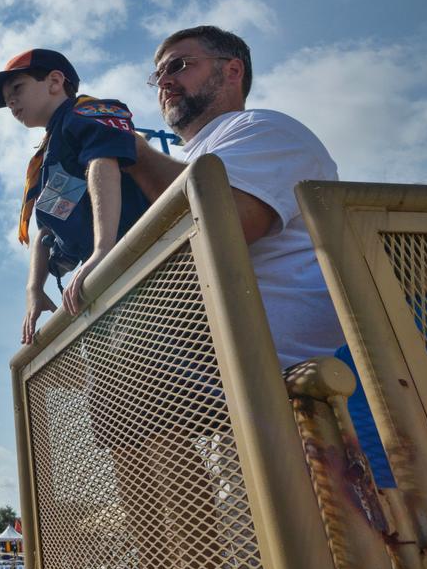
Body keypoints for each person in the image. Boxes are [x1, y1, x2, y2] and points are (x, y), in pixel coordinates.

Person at [115, 24, 344, 365]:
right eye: (157, 75)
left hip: (299, 384)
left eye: (178, 66)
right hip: (202, 388)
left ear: (232, 70)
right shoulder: (181, 164)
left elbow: (225, 225)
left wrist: (134, 152)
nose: (163, 82)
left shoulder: (262, 128)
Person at [0, 48, 150, 345]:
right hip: (110, 278)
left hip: (145, 261)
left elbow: (103, 162)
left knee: (177, 371)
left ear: (55, 81)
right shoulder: (53, 149)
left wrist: (104, 251)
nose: (11, 102)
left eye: (17, 88)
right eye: (6, 100)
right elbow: (48, 227)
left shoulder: (85, 113)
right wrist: (34, 288)